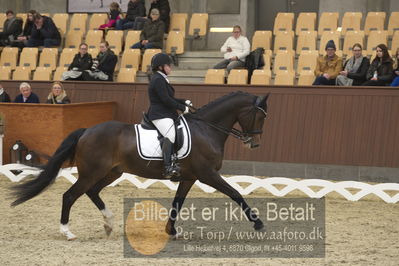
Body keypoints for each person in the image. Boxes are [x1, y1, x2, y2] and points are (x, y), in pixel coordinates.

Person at [146, 53, 191, 180]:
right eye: (168, 65)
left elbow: (170, 98)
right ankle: (167, 167)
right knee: (170, 134)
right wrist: (182, 108)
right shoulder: (158, 79)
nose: (170, 67)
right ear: (161, 67)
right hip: (159, 114)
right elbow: (166, 100)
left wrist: (183, 101)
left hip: (165, 113)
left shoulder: (160, 78)